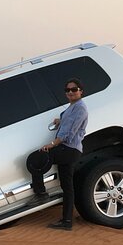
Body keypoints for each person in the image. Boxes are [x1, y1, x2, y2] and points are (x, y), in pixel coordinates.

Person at [29, 78, 88, 231]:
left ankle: (40, 192)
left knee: (37, 158)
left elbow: (69, 133)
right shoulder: (73, 107)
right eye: (67, 90)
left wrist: (52, 144)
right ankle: (67, 221)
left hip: (69, 149)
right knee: (67, 187)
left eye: (74, 89)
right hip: (70, 150)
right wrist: (60, 120)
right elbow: (69, 122)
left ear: (81, 91)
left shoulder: (80, 108)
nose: (70, 92)